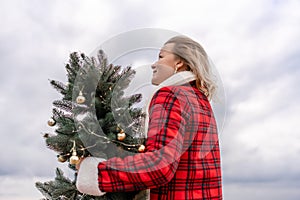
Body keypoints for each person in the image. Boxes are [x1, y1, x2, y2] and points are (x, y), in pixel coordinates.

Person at [76, 35, 223, 199]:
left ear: (179, 62)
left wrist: (96, 172)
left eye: (161, 57)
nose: (154, 64)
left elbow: (160, 166)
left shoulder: (171, 95)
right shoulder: (200, 100)